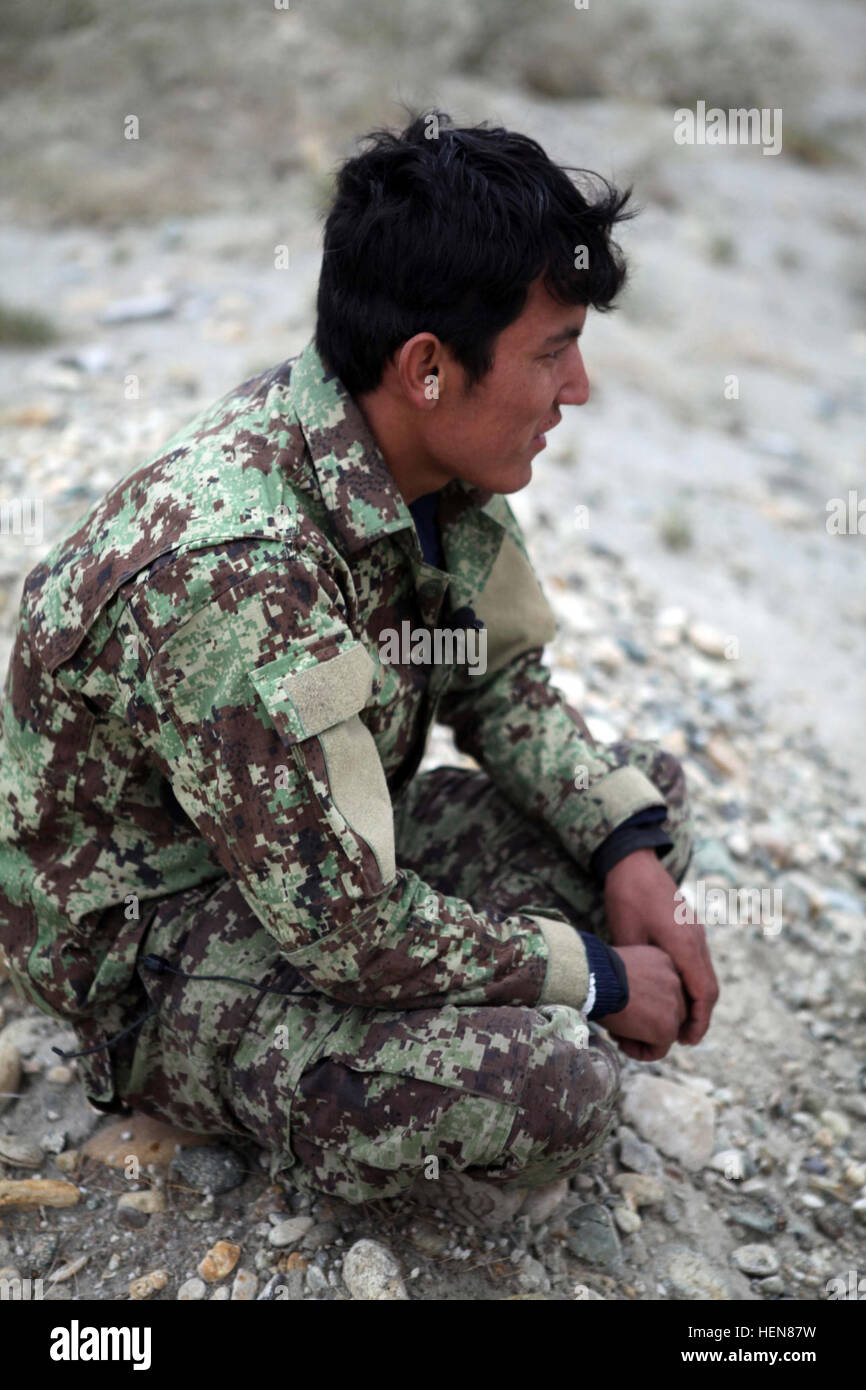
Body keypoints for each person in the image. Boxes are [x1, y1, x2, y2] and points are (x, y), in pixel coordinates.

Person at [0, 111, 718, 1208]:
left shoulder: (427, 464)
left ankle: (489, 987)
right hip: (157, 945)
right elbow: (346, 933)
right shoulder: (237, 572)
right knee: (552, 1086)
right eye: (552, 351)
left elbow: (500, 687)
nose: (576, 392)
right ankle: (230, 1080)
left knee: (640, 807)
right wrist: (595, 976)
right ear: (428, 367)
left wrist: (624, 853)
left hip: (317, 854)